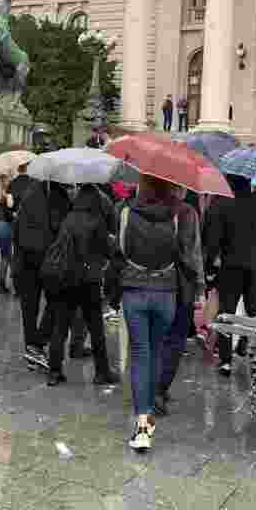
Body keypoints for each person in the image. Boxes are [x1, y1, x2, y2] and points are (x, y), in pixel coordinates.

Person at [109, 174, 199, 452]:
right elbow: (187, 257)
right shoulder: (179, 214)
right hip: (166, 293)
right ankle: (151, 408)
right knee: (158, 351)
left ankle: (143, 422)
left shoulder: (125, 212)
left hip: (134, 290)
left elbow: (119, 250)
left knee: (140, 355)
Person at [44, 184, 120, 387]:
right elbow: (107, 251)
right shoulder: (97, 221)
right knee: (96, 328)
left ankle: (54, 371)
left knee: (60, 326)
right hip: (89, 281)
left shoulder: (68, 219)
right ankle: (101, 372)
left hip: (66, 279)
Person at [203, 174, 256, 377]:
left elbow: (213, 241)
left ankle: (226, 360)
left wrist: (209, 266)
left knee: (226, 312)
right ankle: (254, 354)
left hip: (230, 267)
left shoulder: (221, 205)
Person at [13, 177, 70, 368]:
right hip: (47, 260)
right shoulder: (59, 196)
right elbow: (60, 228)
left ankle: (31, 348)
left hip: (25, 260)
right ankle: (37, 344)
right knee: (56, 301)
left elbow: (17, 229)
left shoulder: (27, 194)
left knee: (29, 308)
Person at [155, 189, 202, 415]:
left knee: (153, 339)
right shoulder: (187, 212)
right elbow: (193, 252)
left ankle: (151, 388)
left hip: (150, 281)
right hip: (180, 284)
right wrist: (200, 284)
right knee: (174, 340)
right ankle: (159, 390)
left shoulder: (143, 207)